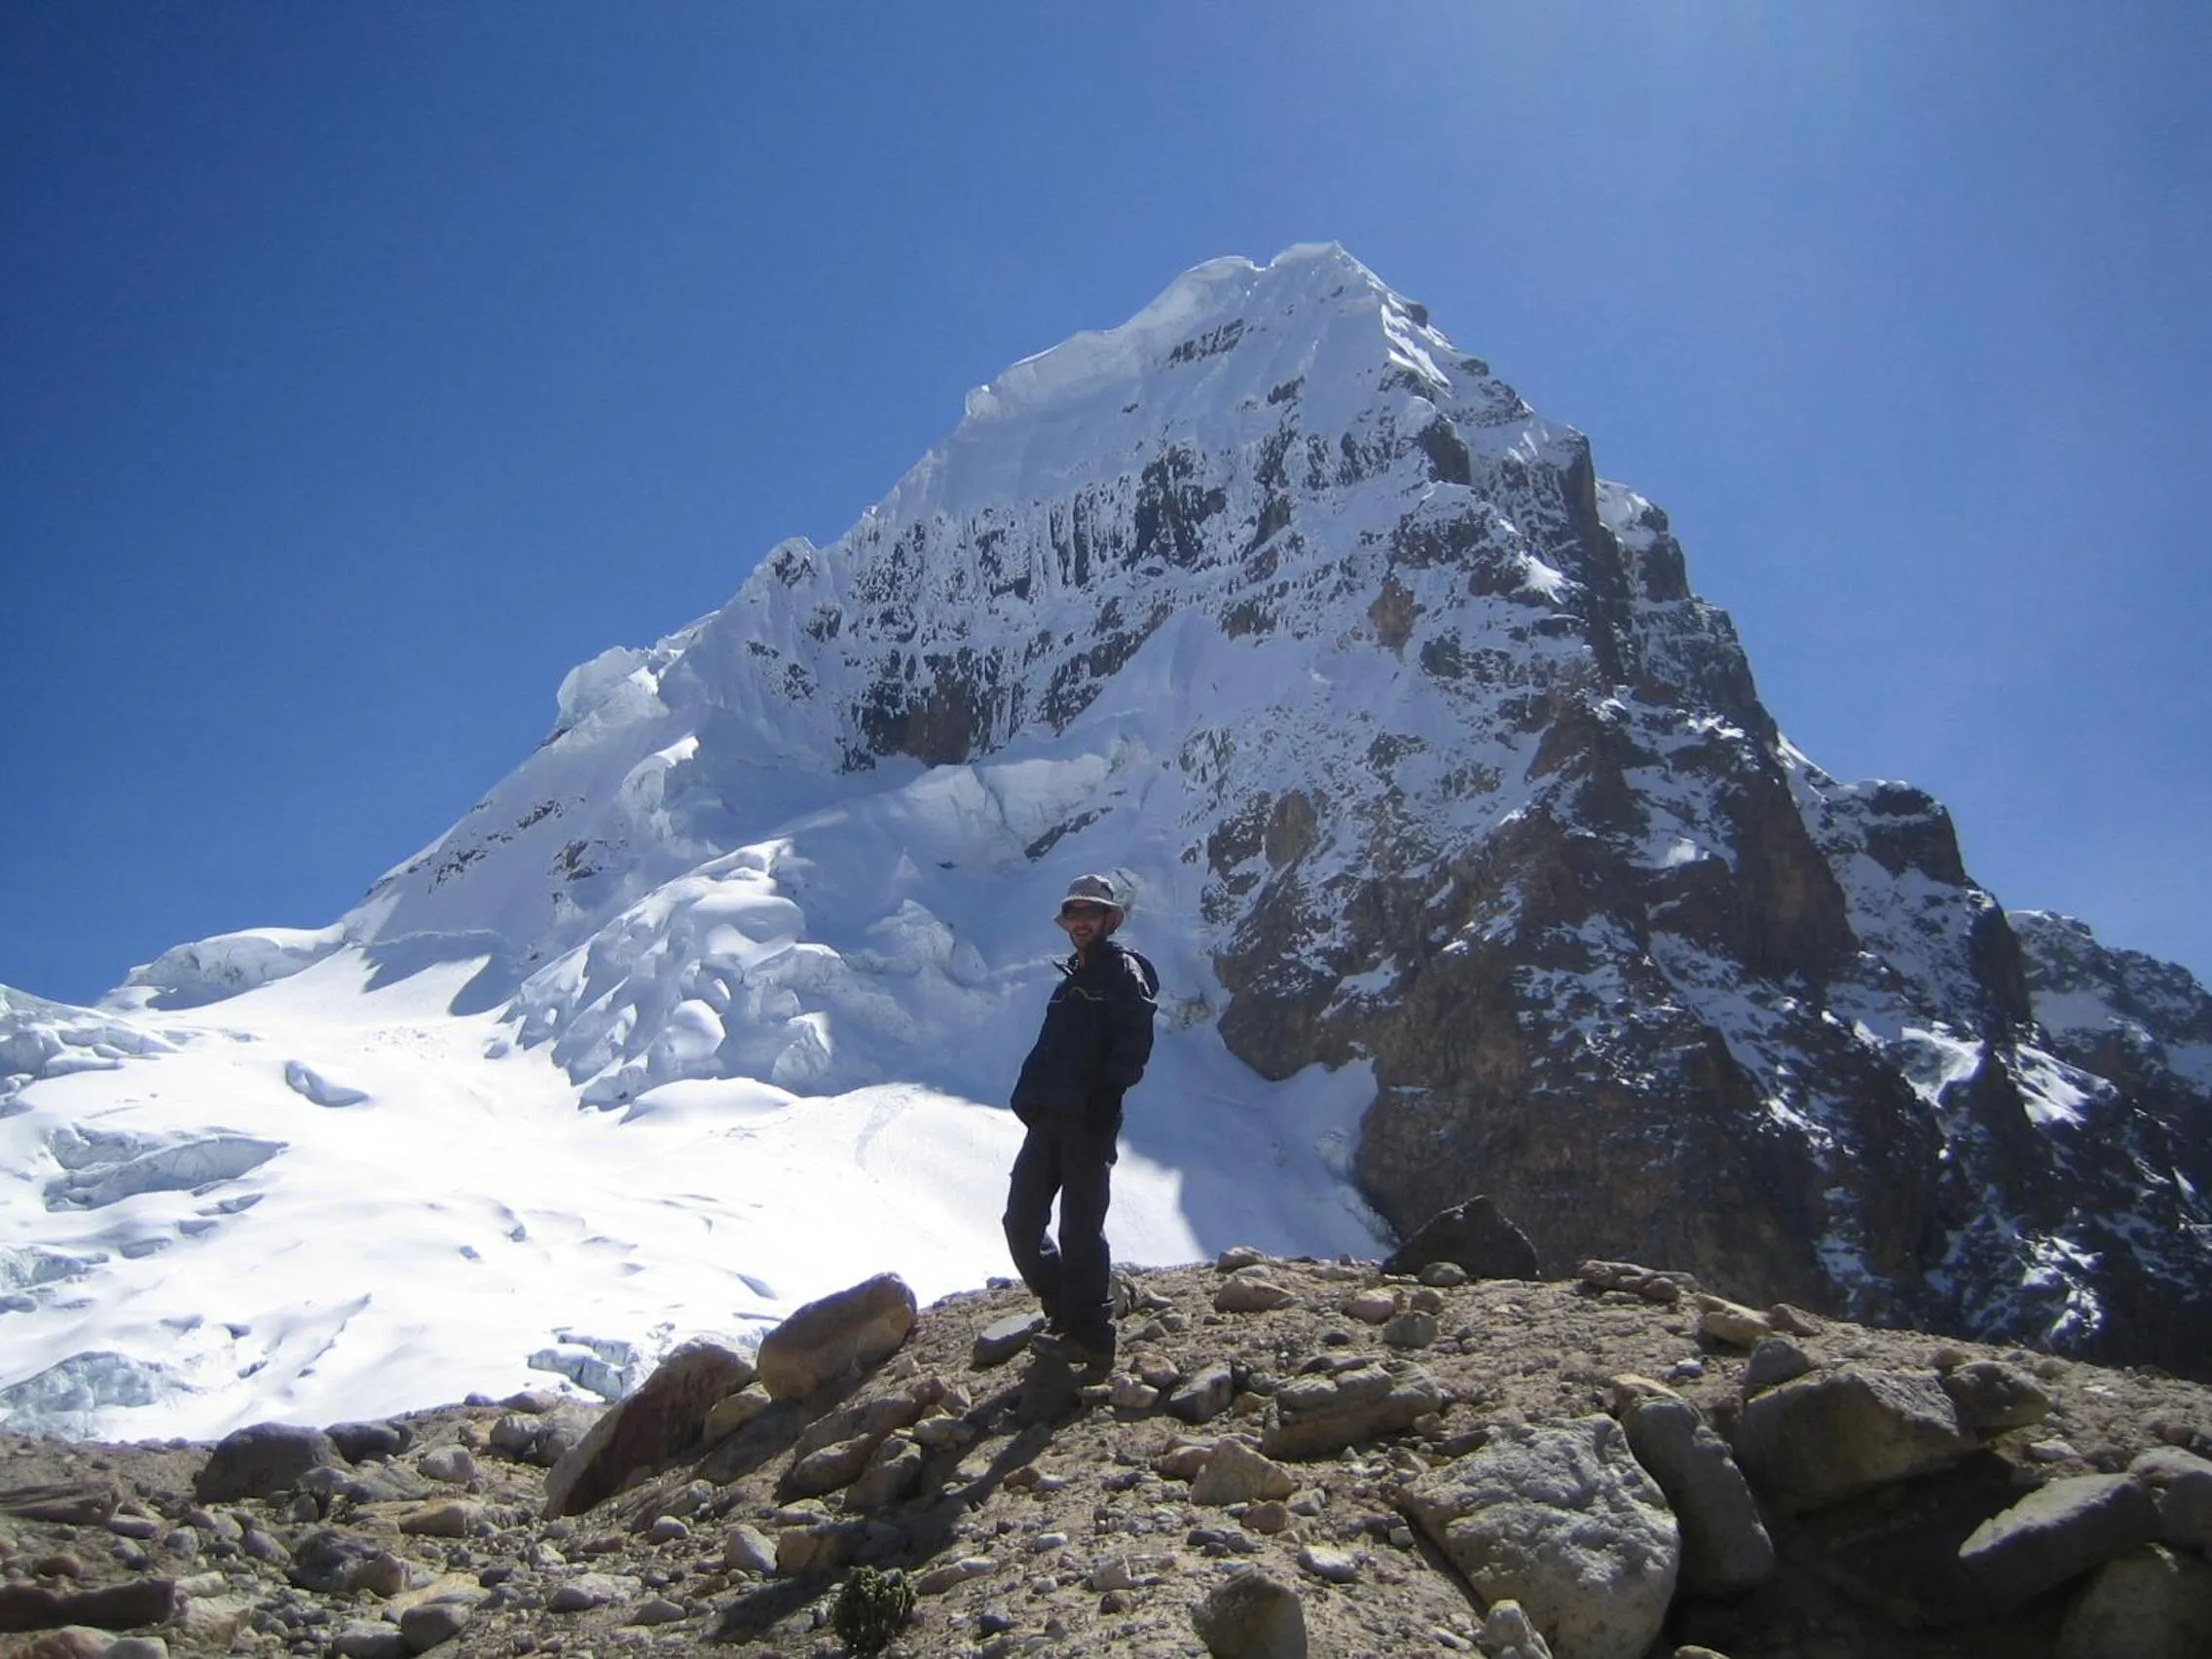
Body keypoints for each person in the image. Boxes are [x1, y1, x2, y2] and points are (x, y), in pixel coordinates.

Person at [1004, 873, 1159, 1365]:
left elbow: (1134, 1040)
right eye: (1074, 913)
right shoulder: (1071, 980)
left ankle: (1091, 1334)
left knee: (1080, 1228)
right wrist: (1030, 1102)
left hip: (1088, 1120)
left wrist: (1104, 1098)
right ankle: (1064, 1311)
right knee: (1021, 1221)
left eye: (1091, 912)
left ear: (1108, 920)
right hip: (1049, 1119)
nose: (1081, 921)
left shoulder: (1122, 973)